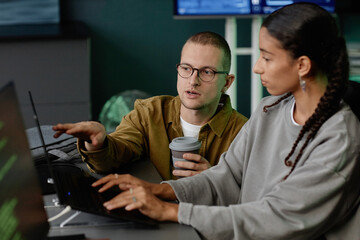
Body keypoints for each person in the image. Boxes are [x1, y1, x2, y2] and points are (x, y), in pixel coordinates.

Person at [89, 3, 360, 239]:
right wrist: (162, 191)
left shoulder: (339, 139)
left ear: (302, 65)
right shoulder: (269, 109)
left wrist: (171, 211)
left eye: (266, 57)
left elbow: (275, 219)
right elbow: (226, 177)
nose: (256, 67)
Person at [52, 31, 248, 180]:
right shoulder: (149, 113)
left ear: (227, 82)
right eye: (186, 68)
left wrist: (216, 180)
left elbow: (258, 199)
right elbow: (117, 153)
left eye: (207, 72)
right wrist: (98, 144)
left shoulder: (245, 133)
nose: (193, 81)